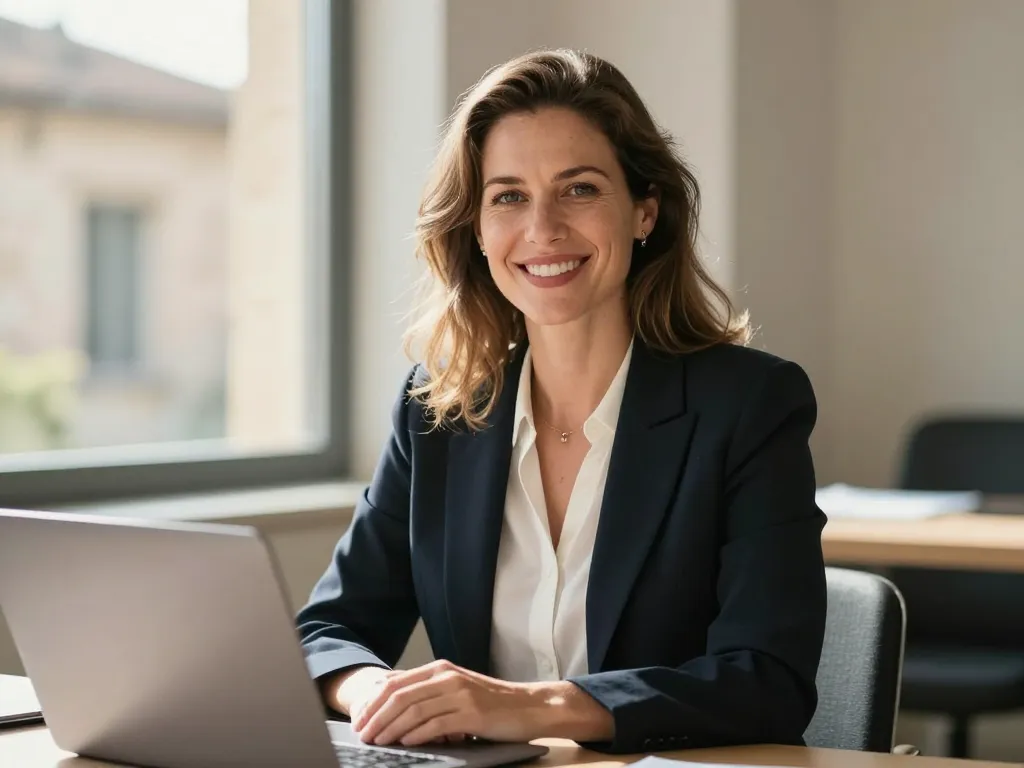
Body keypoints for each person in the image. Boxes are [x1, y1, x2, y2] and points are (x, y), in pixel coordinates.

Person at [296, 49, 826, 755]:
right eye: (508, 196)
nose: (542, 228)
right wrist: (380, 695)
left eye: (578, 189)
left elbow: (766, 680)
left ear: (644, 210)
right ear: (477, 231)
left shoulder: (750, 405)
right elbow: (326, 633)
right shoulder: (437, 412)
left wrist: (534, 707)